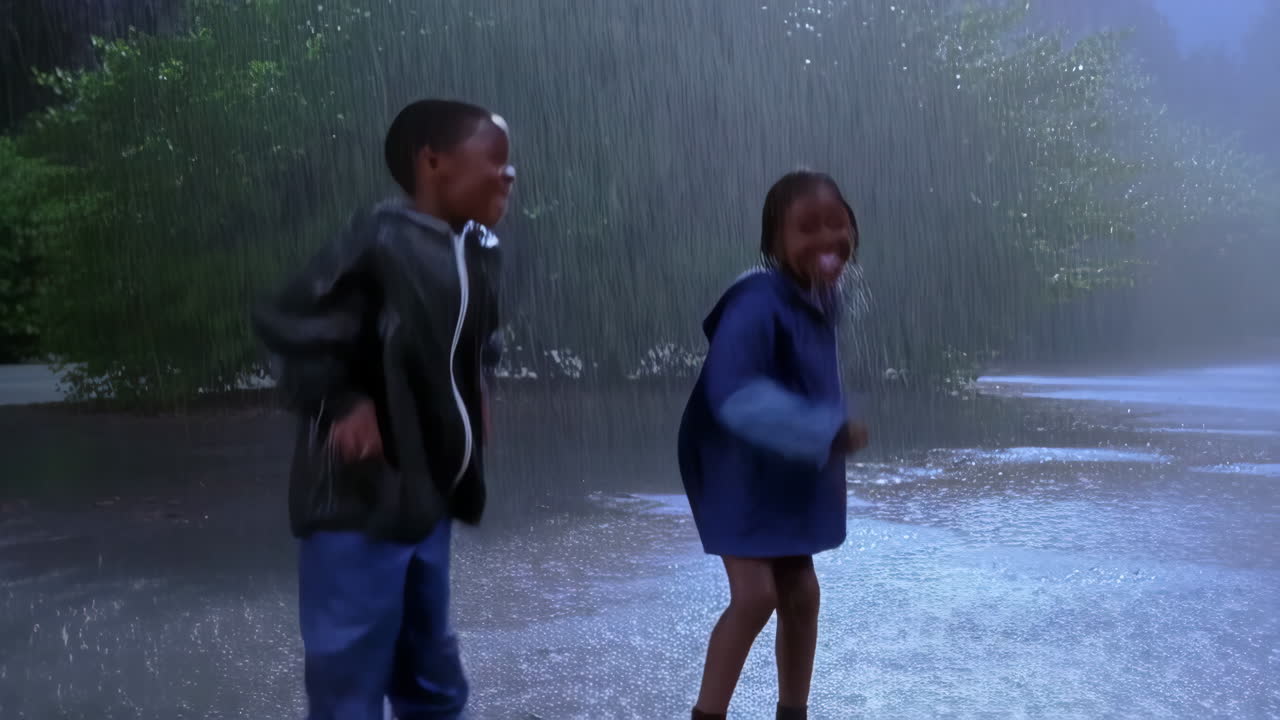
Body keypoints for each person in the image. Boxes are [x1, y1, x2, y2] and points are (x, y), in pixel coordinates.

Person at [251, 99, 515, 720]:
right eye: (495, 160)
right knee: (350, 673)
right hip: (357, 501)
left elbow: (481, 339)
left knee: (432, 672)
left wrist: (479, 386)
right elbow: (291, 320)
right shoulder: (379, 238)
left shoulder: (482, 249)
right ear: (433, 163)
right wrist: (343, 403)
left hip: (426, 496)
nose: (509, 175)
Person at [677, 170, 870, 720]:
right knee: (756, 595)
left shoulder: (822, 294)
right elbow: (733, 392)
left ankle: (794, 712)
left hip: (784, 461)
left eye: (837, 223)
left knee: (802, 593)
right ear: (773, 245)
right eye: (806, 228)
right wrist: (822, 432)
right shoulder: (756, 301)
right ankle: (708, 714)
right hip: (728, 460)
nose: (827, 239)